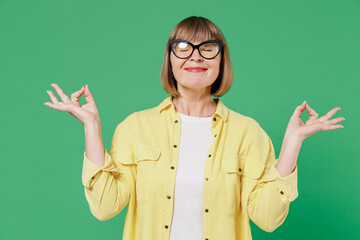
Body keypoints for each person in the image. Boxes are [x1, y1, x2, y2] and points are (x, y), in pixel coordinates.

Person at [44, 16, 345, 240]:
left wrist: (292, 142)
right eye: (184, 47)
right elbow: (105, 207)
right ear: (170, 59)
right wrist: (92, 126)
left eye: (208, 48)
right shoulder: (135, 127)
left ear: (221, 60)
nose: (196, 56)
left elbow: (267, 218)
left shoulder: (248, 133)